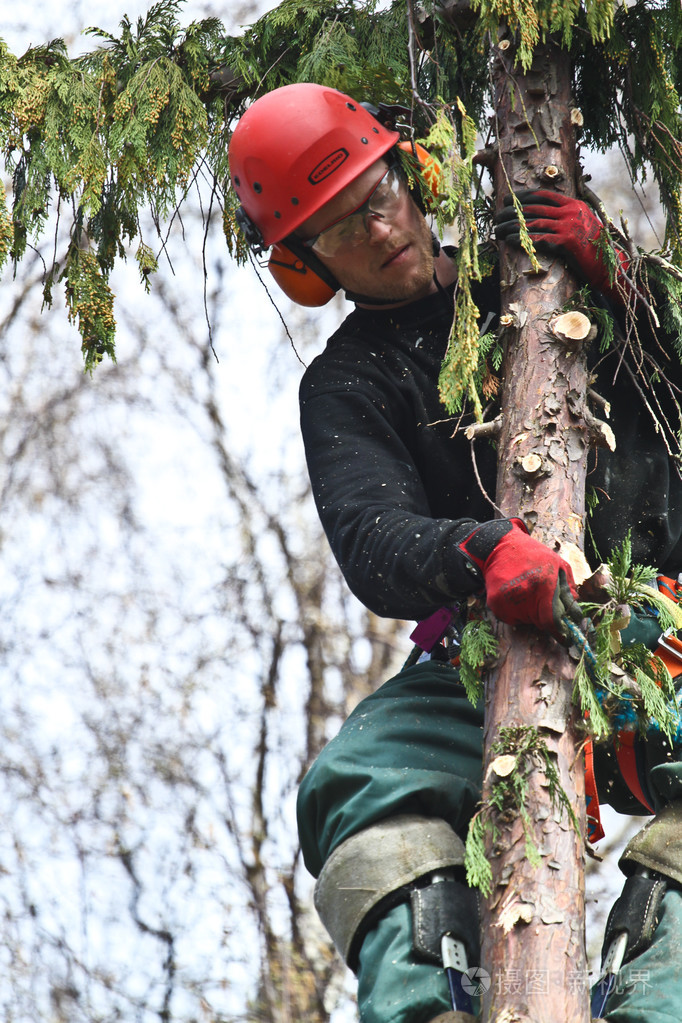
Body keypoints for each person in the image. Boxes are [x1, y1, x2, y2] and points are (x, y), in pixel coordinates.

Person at [228, 82, 682, 1023]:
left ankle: (660, 994)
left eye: (379, 196)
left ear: (410, 171)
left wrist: (630, 286)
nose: (382, 231)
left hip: (660, 614)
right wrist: (482, 555)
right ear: (305, 266)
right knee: (357, 780)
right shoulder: (350, 383)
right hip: (487, 658)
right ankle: (431, 1007)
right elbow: (370, 538)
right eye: (343, 229)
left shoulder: (532, 264)